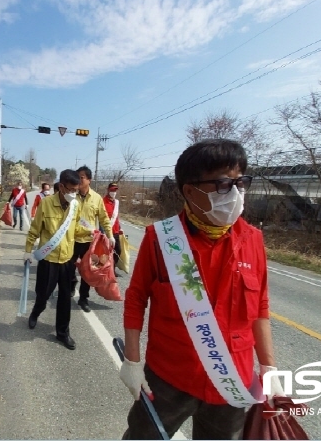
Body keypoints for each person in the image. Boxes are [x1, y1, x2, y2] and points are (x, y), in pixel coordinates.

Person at [119, 139, 284, 440]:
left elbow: (260, 307)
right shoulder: (162, 239)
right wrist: (132, 360)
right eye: (222, 184)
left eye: (240, 183)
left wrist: (269, 367)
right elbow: (136, 298)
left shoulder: (253, 240)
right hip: (169, 378)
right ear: (190, 191)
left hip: (232, 382)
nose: (234, 194)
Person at [24, 170, 81, 350]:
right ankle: (35, 312)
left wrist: (91, 234)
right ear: (61, 187)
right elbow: (34, 230)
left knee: (65, 299)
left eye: (76, 190)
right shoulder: (46, 204)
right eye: (71, 189)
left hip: (66, 259)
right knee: (43, 294)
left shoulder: (76, 205)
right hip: (48, 259)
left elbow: (76, 228)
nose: (73, 194)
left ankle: (63, 333)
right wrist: (27, 251)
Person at [70, 165, 114, 312]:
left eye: (81, 177)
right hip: (70, 240)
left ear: (89, 180)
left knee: (88, 271)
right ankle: (71, 283)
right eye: (78, 177)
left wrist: (110, 235)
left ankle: (83, 299)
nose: (79, 180)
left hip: (90, 242)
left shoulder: (96, 198)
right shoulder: (70, 196)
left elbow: (104, 218)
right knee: (68, 268)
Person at [103, 182, 123, 277]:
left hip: (115, 231)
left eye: (115, 190)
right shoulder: (102, 201)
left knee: (118, 250)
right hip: (106, 231)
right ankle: (104, 270)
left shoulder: (117, 202)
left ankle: (112, 269)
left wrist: (120, 228)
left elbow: (116, 217)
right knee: (106, 252)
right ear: (108, 190)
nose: (113, 192)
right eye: (112, 190)